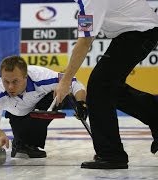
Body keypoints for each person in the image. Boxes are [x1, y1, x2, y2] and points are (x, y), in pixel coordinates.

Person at [54, 0, 158, 169]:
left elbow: (85, 43)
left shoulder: (90, 1)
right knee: (110, 88)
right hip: (138, 31)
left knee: (99, 86)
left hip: (139, 32)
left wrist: (66, 81)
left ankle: (111, 155)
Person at [0, 55, 87, 158]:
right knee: (22, 141)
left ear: (26, 77)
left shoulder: (41, 77)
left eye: (15, 81)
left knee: (61, 92)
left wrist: (81, 103)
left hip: (41, 105)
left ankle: (28, 144)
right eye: (6, 82)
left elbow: (73, 82)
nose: (10, 87)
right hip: (16, 114)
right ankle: (21, 143)